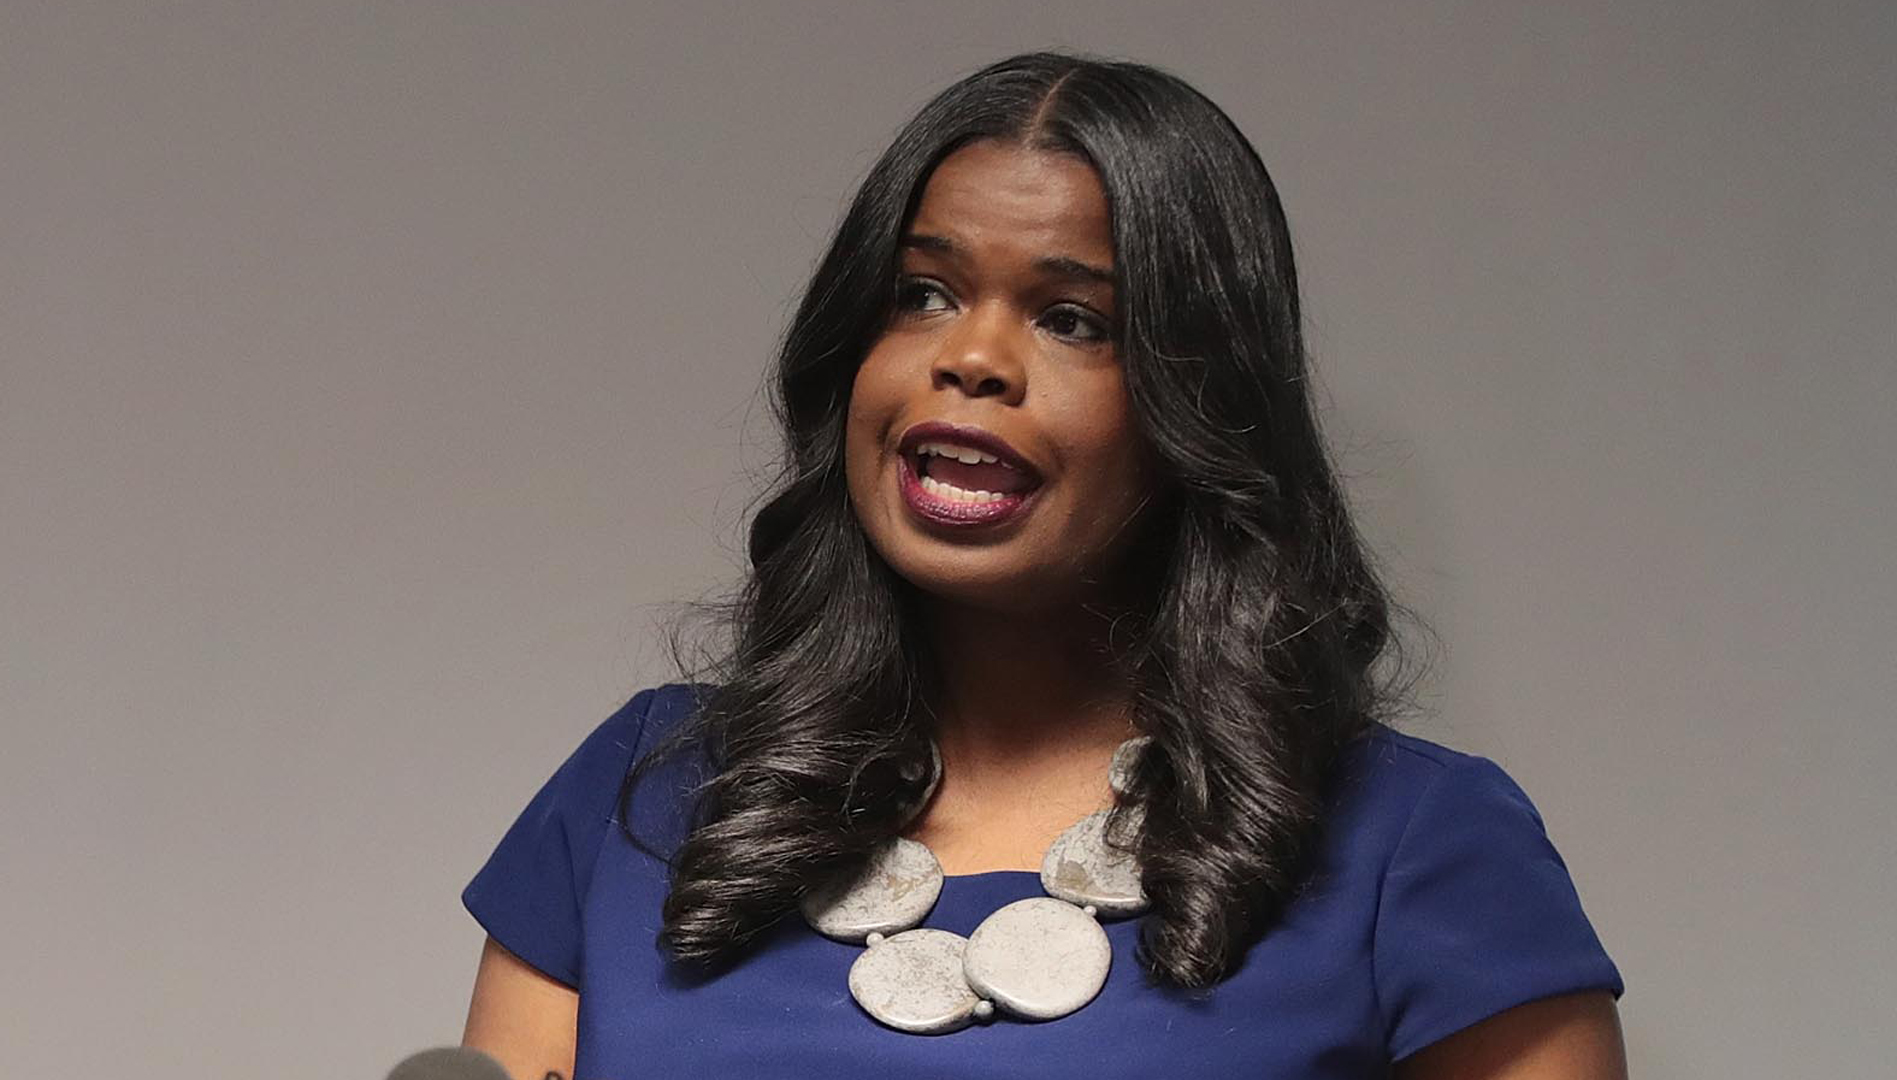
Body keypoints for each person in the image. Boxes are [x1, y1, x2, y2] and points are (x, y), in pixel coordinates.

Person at [458, 52, 1626, 1079]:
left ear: (1199, 407)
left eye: (1073, 319)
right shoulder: (642, 795)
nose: (969, 356)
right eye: (922, 295)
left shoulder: (1417, 843)